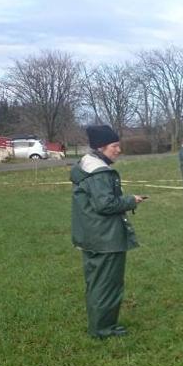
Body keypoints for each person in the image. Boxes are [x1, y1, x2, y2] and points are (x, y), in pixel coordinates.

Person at [71, 125, 146, 339]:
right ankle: (103, 329)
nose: (118, 150)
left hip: (91, 236)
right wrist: (131, 200)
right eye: (115, 145)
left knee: (96, 283)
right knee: (108, 285)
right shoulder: (100, 172)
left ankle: (100, 326)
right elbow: (105, 204)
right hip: (105, 238)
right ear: (101, 147)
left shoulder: (85, 167)